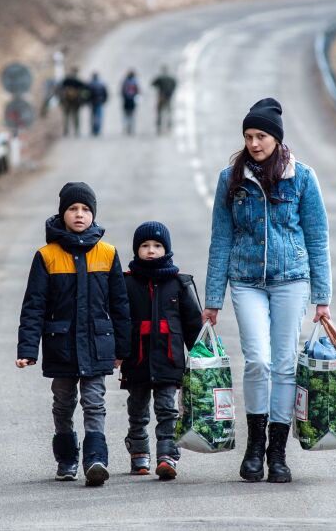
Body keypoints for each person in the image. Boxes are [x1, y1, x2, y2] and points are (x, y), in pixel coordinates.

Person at [202, 98, 332, 484]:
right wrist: (212, 300)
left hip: (291, 279)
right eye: (248, 136)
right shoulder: (231, 178)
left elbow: (317, 237)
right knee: (257, 360)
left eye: (261, 136)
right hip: (246, 281)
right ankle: (254, 448)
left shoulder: (302, 177)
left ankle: (278, 454)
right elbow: (220, 239)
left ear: (276, 138)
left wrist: (322, 297)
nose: (254, 143)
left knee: (285, 364)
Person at [16, 182, 131, 487]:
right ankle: (66, 459)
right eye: (73, 209)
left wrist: (123, 348)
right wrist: (28, 349)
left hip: (97, 344)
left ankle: (96, 460)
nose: (79, 214)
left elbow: (120, 306)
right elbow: (34, 306)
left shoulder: (108, 254)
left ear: (93, 214)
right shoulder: (47, 256)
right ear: (62, 213)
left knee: (94, 402)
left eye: (85, 209)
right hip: (61, 346)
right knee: (63, 403)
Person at [120, 221, 203, 480]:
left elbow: (192, 325)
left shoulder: (179, 283)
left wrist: (201, 355)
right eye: (145, 246)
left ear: (167, 249)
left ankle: (168, 455)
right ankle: (139, 453)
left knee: (167, 409)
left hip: (169, 360)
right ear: (136, 250)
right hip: (137, 360)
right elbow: (119, 321)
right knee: (137, 409)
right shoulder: (126, 283)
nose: (151, 250)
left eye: (157, 245)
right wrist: (117, 353)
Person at [59, 67, 88, 137]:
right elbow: (85, 91)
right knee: (76, 116)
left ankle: (66, 131)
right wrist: (83, 100)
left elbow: (60, 89)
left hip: (67, 102)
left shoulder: (66, 80)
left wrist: (61, 100)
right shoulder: (79, 81)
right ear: (77, 72)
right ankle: (77, 131)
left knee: (66, 116)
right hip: (76, 102)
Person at [151, 65, 177, 134]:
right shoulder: (171, 78)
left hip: (161, 97)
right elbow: (175, 84)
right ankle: (169, 126)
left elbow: (152, 84)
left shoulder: (160, 78)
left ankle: (159, 127)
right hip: (168, 97)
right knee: (168, 111)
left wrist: (159, 88)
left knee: (159, 112)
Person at [87, 72, 109, 136]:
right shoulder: (101, 84)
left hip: (92, 103)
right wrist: (104, 100)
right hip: (99, 102)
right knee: (99, 116)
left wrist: (87, 101)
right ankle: (97, 130)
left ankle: (93, 129)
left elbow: (86, 94)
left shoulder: (90, 84)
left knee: (92, 116)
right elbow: (106, 93)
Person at [120, 70, 140, 135]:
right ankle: (131, 128)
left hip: (126, 100)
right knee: (132, 115)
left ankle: (125, 128)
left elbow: (122, 91)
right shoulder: (135, 82)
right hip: (132, 101)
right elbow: (138, 91)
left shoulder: (125, 82)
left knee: (125, 115)